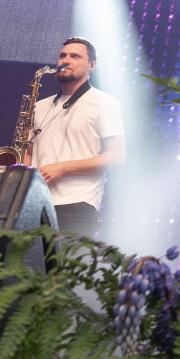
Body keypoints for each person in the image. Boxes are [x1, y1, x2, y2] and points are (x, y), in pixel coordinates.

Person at [31, 37, 125, 237]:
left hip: (76, 204)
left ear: (92, 65)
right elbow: (28, 152)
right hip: (35, 202)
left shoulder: (105, 103)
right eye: (63, 55)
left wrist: (63, 168)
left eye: (75, 56)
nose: (65, 60)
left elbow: (117, 157)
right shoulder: (38, 106)